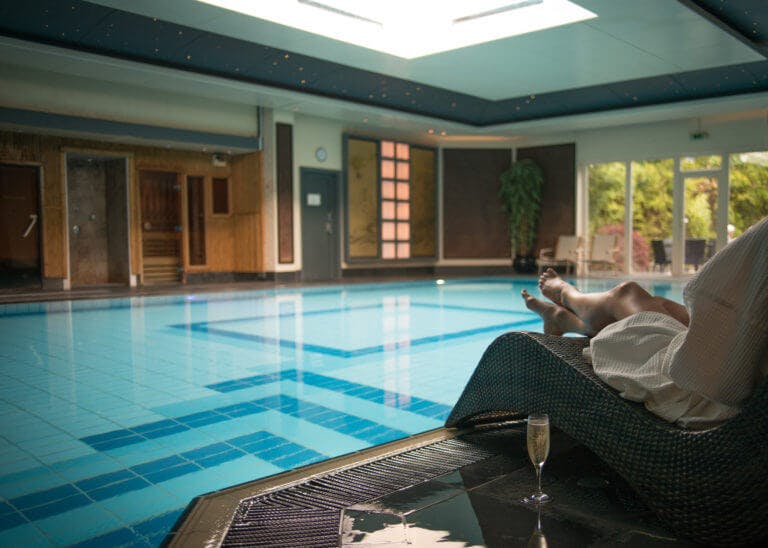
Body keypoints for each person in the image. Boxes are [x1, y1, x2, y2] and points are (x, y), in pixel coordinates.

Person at [520, 215, 768, 428]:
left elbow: (703, 289)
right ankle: (565, 320)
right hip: (739, 378)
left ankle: (568, 296)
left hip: (698, 390)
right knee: (660, 304)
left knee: (626, 293)